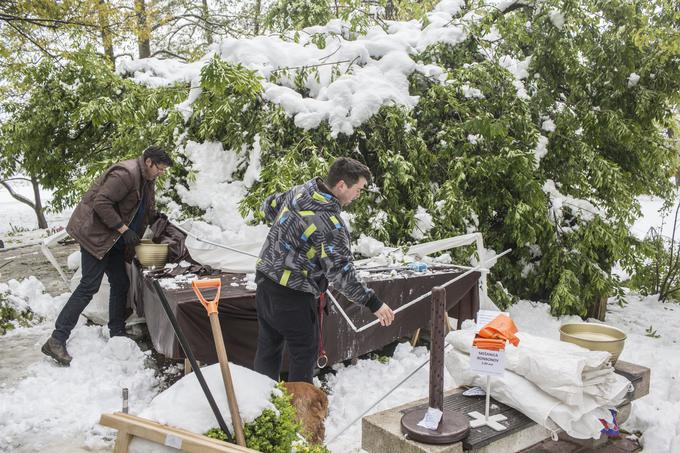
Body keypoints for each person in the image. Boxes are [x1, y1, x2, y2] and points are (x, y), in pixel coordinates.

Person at [254, 157, 395, 383]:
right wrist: (373, 303)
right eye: (357, 189)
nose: (358, 195)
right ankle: (300, 415)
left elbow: (269, 206)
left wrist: (290, 239)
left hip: (265, 282)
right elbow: (340, 273)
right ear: (341, 186)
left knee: (268, 349)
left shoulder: (300, 191)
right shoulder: (330, 224)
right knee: (303, 354)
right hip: (293, 295)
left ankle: (261, 409)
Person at [41, 146, 173, 365]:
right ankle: (56, 339)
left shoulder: (147, 179)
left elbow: (145, 208)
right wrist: (124, 230)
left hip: (112, 240)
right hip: (96, 236)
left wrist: (158, 220)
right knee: (88, 287)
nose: (161, 172)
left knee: (120, 283)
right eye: (160, 168)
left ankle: (117, 333)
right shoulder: (126, 174)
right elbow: (101, 203)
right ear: (148, 161)